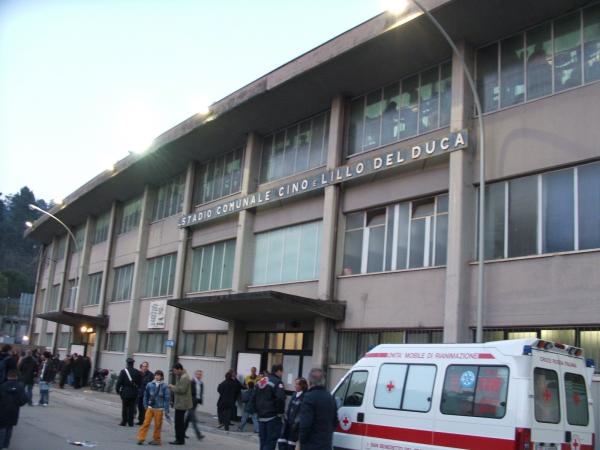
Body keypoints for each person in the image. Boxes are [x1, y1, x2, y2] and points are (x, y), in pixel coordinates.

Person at [298, 368, 338, 450]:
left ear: (310, 381)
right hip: (326, 444)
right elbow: (335, 422)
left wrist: (301, 440)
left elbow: (305, 424)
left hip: (311, 444)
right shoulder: (330, 397)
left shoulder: (309, 397)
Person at [251, 363, 286, 450]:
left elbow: (253, 397)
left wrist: (256, 410)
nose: (282, 374)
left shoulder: (261, 381)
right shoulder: (277, 382)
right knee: (270, 441)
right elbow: (281, 399)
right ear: (278, 371)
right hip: (272, 417)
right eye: (282, 372)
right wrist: (280, 413)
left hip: (261, 416)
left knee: (263, 441)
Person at [137, 369, 170, 446]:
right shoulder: (150, 384)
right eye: (156, 375)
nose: (157, 376)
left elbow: (167, 399)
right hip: (150, 407)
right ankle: (141, 438)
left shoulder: (165, 386)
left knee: (158, 425)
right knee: (145, 423)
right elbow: (146, 395)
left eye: (158, 375)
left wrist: (166, 410)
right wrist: (145, 405)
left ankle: (156, 440)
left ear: (162, 377)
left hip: (159, 409)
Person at [0, 369, 28, 449]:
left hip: (2, 410)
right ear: (16, 377)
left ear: (7, 376)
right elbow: (24, 400)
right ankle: (6, 445)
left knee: (2, 428)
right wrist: (17, 404)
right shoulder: (20, 387)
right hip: (14, 411)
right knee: (9, 428)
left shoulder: (2, 386)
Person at [278, 377, 308, 450]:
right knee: (281, 442)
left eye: (297, 384)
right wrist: (285, 417)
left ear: (302, 386)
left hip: (295, 426)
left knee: (291, 445)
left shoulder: (305, 396)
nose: (295, 386)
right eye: (295, 384)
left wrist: (296, 424)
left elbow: (302, 413)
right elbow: (289, 407)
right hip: (288, 423)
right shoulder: (294, 394)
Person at [168, 362, 192, 445]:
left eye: (175, 371)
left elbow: (182, 390)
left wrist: (172, 387)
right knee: (179, 422)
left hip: (182, 404)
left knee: (179, 423)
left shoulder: (184, 377)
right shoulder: (180, 376)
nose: (174, 372)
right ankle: (179, 439)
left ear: (179, 369)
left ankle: (180, 439)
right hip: (180, 403)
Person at [116, 357, 142, 427]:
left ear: (127, 363)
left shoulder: (123, 371)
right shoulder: (137, 372)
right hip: (134, 392)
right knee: (132, 407)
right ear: (133, 364)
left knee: (125, 407)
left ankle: (124, 421)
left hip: (125, 392)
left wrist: (117, 390)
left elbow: (119, 382)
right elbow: (140, 383)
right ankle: (131, 422)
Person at [184, 369, 205, 440]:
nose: (199, 376)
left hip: (196, 402)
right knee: (193, 419)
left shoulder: (201, 383)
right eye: (198, 374)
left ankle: (182, 432)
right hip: (191, 402)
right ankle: (198, 434)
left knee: (187, 419)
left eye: (200, 374)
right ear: (195, 375)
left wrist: (200, 400)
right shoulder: (191, 382)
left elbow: (200, 393)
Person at [137, 361, 154, 425]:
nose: (144, 368)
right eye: (143, 366)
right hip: (140, 393)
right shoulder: (139, 374)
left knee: (145, 408)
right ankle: (140, 420)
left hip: (147, 394)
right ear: (141, 367)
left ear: (148, 367)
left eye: (146, 366)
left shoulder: (151, 375)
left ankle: (145, 421)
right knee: (140, 407)